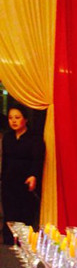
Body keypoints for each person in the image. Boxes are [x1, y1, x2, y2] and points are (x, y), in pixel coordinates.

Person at [1, 103, 45, 245]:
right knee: (9, 212)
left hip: (26, 180)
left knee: (25, 212)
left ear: (25, 119)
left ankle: (24, 242)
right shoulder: (7, 137)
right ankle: (9, 242)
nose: (13, 121)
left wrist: (33, 176)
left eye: (17, 117)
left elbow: (38, 159)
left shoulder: (34, 138)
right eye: (10, 118)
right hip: (9, 180)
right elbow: (5, 159)